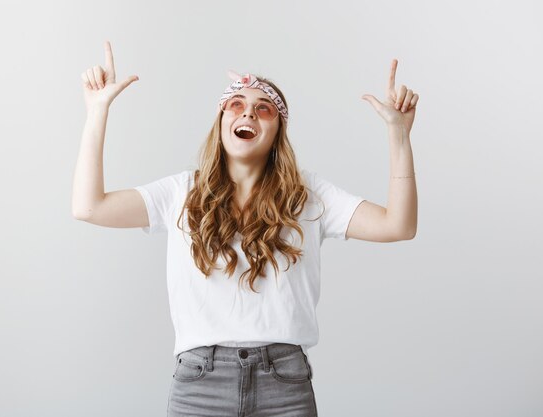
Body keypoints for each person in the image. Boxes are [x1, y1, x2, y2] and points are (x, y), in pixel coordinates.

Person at [72, 40, 419, 417]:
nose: (248, 114)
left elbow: (397, 225)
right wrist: (97, 111)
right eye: (236, 105)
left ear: (277, 130)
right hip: (199, 385)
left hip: (284, 385)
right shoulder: (179, 192)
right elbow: (90, 207)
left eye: (263, 108)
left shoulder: (309, 196)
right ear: (222, 122)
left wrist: (399, 135)